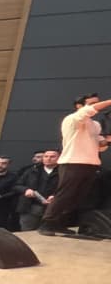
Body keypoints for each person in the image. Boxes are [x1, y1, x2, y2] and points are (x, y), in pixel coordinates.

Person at [42, 94, 110, 235]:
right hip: (72, 162)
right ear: (79, 106)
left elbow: (100, 145)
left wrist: (107, 141)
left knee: (78, 196)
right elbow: (87, 112)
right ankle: (47, 223)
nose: (96, 106)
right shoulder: (72, 119)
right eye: (92, 103)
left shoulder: (95, 124)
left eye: (97, 103)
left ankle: (59, 223)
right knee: (65, 194)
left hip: (91, 163)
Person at [16, 149, 59, 232]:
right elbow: (17, 185)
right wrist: (26, 190)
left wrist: (55, 195)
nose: (48, 158)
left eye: (52, 157)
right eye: (46, 156)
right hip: (29, 207)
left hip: (52, 209)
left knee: (48, 234)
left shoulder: (63, 172)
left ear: (59, 158)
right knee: (27, 233)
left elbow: (67, 188)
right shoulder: (31, 170)